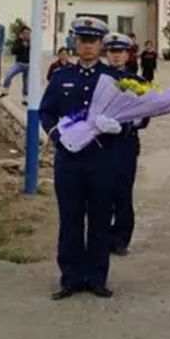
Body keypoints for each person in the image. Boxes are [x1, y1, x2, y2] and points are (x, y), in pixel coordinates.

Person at [39, 16, 123, 299]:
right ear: (75, 42)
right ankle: (71, 278)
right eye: (82, 41)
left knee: (100, 220)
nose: (87, 47)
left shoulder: (113, 79)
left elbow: (132, 113)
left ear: (101, 45)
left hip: (102, 159)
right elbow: (46, 111)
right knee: (71, 220)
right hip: (70, 161)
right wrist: (57, 136)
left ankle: (97, 277)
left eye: (93, 42)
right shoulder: (62, 77)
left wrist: (121, 126)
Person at [103, 32, 147, 256]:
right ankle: (100, 236)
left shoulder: (137, 82)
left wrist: (129, 123)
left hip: (125, 143)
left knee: (122, 192)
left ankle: (120, 238)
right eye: (112, 52)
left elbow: (146, 116)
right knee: (100, 191)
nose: (116, 56)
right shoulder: (98, 78)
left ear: (128, 55)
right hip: (99, 143)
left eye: (120, 52)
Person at [0, 26, 31, 105]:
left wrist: (29, 46)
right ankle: (6, 90)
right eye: (25, 33)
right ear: (21, 34)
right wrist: (22, 45)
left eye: (28, 34)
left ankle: (25, 98)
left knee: (26, 82)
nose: (26, 35)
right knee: (9, 74)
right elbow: (14, 51)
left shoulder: (32, 42)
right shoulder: (18, 41)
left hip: (29, 65)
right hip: (19, 63)